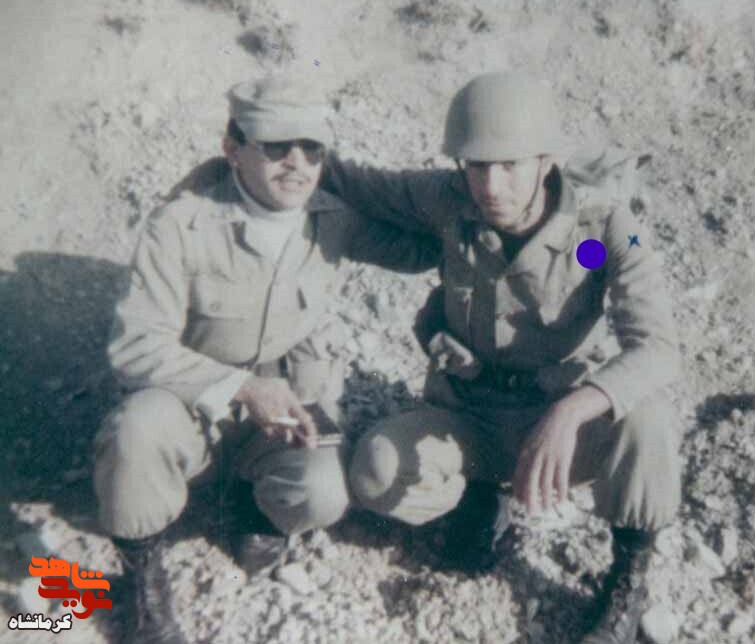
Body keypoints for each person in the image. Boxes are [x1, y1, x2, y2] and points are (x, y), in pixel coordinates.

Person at [319, 71, 683, 644]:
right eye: (477, 165)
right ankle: (481, 496)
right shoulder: (448, 200)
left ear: (545, 161)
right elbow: (359, 185)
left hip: (558, 424)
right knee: (377, 473)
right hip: (470, 416)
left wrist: (571, 412)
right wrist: (269, 151)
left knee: (648, 416)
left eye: (510, 165)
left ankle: (629, 576)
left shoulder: (604, 231)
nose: (491, 185)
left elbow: (658, 348)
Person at [93, 75, 440, 644]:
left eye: (312, 149)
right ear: (233, 148)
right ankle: (141, 577)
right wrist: (243, 388)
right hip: (188, 404)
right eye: (277, 146)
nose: (296, 163)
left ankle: (252, 508)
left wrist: (493, 204)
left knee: (323, 492)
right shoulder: (181, 225)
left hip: (276, 410)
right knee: (136, 429)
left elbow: (422, 249)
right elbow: (134, 346)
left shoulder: (332, 218)